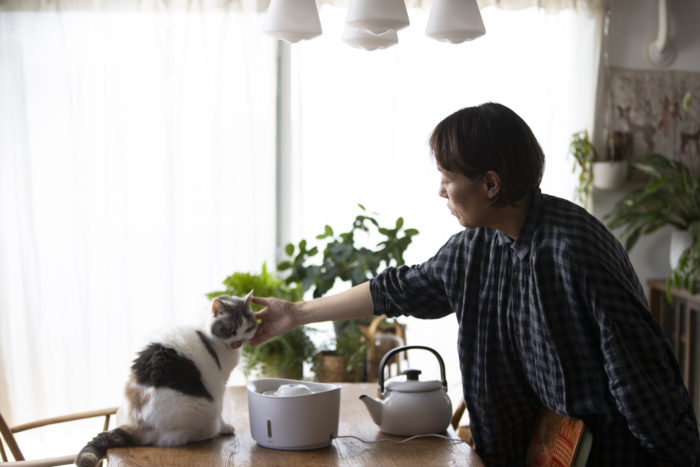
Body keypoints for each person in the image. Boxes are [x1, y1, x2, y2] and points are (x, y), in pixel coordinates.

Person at [249, 102, 700, 465]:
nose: (441, 192)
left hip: (608, 454)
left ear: (489, 184)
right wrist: (295, 313)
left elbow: (639, 379)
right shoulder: (476, 246)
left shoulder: (575, 247)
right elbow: (398, 288)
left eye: (447, 179)